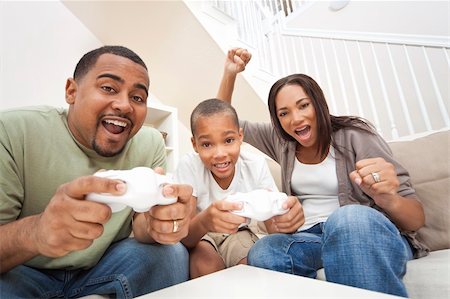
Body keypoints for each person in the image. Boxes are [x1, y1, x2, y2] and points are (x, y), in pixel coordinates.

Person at [216, 48, 428, 297]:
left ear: (318, 104)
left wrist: (387, 198)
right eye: (284, 113)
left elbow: (416, 219)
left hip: (362, 231)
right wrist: (230, 74)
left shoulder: (357, 136)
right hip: (311, 239)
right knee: (266, 250)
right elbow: (221, 125)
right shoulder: (282, 142)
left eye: (303, 105)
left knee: (346, 219)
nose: (295, 119)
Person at [0, 46, 193, 298]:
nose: (124, 105)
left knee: (171, 253)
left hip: (102, 265)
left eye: (137, 97)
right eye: (108, 88)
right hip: (23, 270)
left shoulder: (150, 143)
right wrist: (37, 232)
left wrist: (161, 225)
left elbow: (141, 224)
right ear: (72, 91)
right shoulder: (13, 130)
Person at [174, 98, 301, 278]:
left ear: (240, 137)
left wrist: (287, 218)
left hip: (239, 232)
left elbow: (274, 228)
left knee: (251, 268)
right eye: (207, 144)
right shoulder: (189, 166)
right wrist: (205, 221)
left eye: (228, 140)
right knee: (206, 266)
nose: (220, 154)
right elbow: (186, 237)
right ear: (194, 144)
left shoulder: (255, 165)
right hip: (202, 235)